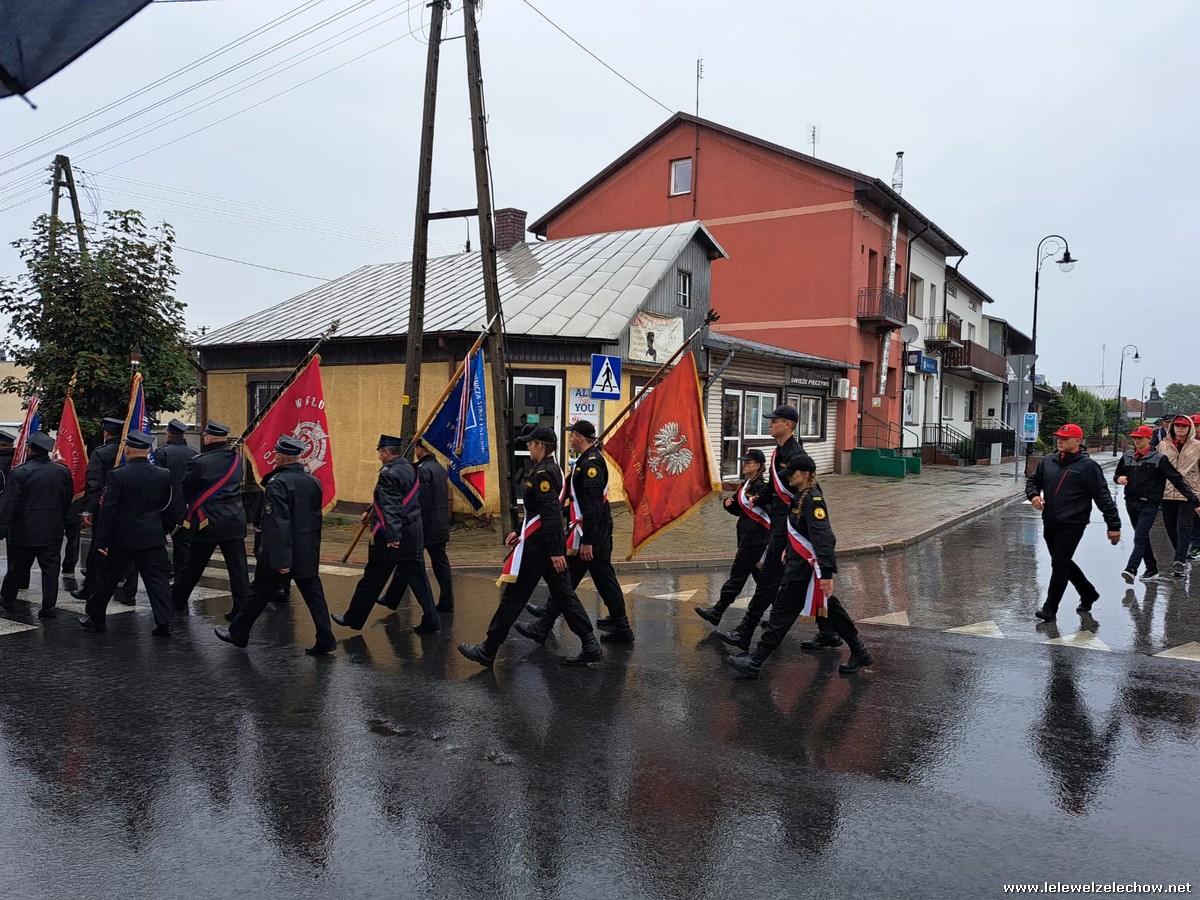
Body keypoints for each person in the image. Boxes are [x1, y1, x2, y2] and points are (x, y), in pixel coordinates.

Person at [458, 426, 602, 668]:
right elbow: (540, 513)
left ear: (541, 446)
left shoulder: (543, 474)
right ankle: (589, 643)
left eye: (531, 443)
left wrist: (556, 552)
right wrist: (518, 531)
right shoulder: (551, 469)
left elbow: (551, 515)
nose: (527, 447)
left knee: (514, 596)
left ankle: (489, 648)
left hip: (539, 548)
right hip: (542, 543)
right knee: (564, 595)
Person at [726, 453, 874, 677]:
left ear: (805, 474)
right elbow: (799, 530)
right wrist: (789, 548)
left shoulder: (813, 500)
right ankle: (860, 651)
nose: (788, 478)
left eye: (792, 474)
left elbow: (824, 537)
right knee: (831, 611)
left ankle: (755, 661)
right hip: (799, 565)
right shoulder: (799, 497)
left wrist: (826, 573)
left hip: (805, 570)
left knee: (781, 615)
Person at [712, 405, 826, 651]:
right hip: (781, 524)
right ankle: (830, 632)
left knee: (770, 581)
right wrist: (758, 499)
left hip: (788, 527)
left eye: (775, 421)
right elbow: (775, 486)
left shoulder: (794, 454)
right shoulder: (779, 452)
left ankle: (746, 633)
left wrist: (800, 529)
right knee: (792, 581)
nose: (770, 424)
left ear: (788, 424)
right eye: (771, 420)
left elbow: (805, 490)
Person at [216, 435, 336, 654]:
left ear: (281, 457)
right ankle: (325, 638)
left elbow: (278, 523)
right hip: (307, 550)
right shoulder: (313, 481)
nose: (275, 457)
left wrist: (282, 560)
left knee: (259, 592)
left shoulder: (277, 483)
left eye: (277, 454)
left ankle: (238, 633)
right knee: (313, 595)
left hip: (280, 553)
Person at [519, 419, 634, 644]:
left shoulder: (591, 464)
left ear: (580, 438)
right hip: (591, 529)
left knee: (575, 579)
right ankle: (619, 624)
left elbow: (592, 505)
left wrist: (588, 540)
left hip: (592, 531)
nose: (570, 439)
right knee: (595, 578)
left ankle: (544, 625)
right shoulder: (585, 460)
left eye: (572, 436)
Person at [333, 435, 440, 634]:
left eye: (380, 453)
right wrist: (369, 508)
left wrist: (392, 536)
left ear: (385, 451)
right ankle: (432, 620)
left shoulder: (388, 473)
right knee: (419, 581)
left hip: (391, 538)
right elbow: (394, 497)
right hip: (413, 533)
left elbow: (391, 505)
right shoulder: (410, 468)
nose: (379, 457)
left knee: (372, 579)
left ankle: (353, 618)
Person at [78, 431, 175, 635]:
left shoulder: (117, 475)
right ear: (148, 450)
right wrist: (162, 530)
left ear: (128, 450)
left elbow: (109, 511)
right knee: (157, 580)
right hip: (152, 537)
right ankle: (164, 620)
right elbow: (168, 507)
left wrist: (102, 541)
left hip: (122, 538)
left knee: (108, 579)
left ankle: (96, 619)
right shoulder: (163, 473)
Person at [1026, 423, 1121, 620]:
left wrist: (1114, 525)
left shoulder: (1088, 467)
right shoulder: (1048, 461)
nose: (1059, 441)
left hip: (1073, 523)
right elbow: (1033, 481)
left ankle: (1050, 608)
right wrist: (1034, 495)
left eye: (1065, 438)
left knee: (1060, 564)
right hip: (1050, 519)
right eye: (1058, 437)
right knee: (1061, 561)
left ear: (1078, 441)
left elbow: (1103, 497)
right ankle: (1088, 592)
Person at [171, 420, 251, 621]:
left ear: (208, 437)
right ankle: (241, 609)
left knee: (195, 564)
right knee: (238, 568)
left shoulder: (199, 461)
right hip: (234, 518)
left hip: (208, 520)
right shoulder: (235, 459)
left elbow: (186, 487)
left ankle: (178, 600)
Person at [695, 448, 772, 626]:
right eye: (743, 461)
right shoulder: (746, 484)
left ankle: (717, 611)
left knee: (737, 577)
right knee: (764, 581)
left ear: (758, 465)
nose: (744, 465)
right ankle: (778, 616)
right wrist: (728, 505)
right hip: (748, 537)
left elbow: (771, 513)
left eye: (748, 462)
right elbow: (740, 510)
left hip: (756, 540)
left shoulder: (762, 486)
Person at [0, 432, 73, 617]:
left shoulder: (20, 472)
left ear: (30, 449)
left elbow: (10, 504)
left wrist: (3, 527)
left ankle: (7, 600)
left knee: (16, 568)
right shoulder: (62, 471)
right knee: (50, 571)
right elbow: (67, 499)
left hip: (23, 531)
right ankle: (48, 606)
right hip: (52, 530)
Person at [1115, 424, 1200, 583]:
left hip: (1150, 504)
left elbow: (1176, 480)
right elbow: (1118, 474)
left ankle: (1131, 568)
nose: (1136, 441)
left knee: (1140, 537)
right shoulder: (1127, 456)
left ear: (1148, 439)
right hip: (1131, 503)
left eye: (1140, 438)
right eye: (1134, 438)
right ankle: (1151, 568)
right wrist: (1119, 479)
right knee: (1142, 537)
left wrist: (1194, 500)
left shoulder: (1159, 458)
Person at [380, 440, 454, 613]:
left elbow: (420, 500)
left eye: (416, 448)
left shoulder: (422, 470)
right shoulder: (440, 468)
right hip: (440, 523)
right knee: (439, 564)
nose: (415, 451)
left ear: (421, 449)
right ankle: (446, 600)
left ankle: (394, 598)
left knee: (408, 561)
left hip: (424, 525)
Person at [153, 418, 197, 596]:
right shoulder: (195, 454)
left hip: (165, 506)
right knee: (183, 546)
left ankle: (163, 573)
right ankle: (181, 581)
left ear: (168, 433)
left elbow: (157, 481)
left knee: (157, 542)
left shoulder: (161, 453)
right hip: (186, 508)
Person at [1155, 414, 1200, 577]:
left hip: (1189, 491)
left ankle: (1179, 560)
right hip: (1167, 491)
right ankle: (1181, 551)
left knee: (1184, 526)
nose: (1180, 429)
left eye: (1184, 426)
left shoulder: (1197, 446)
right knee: (1170, 526)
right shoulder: (1163, 445)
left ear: (1190, 428)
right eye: (1177, 426)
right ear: (1172, 427)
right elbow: (1157, 469)